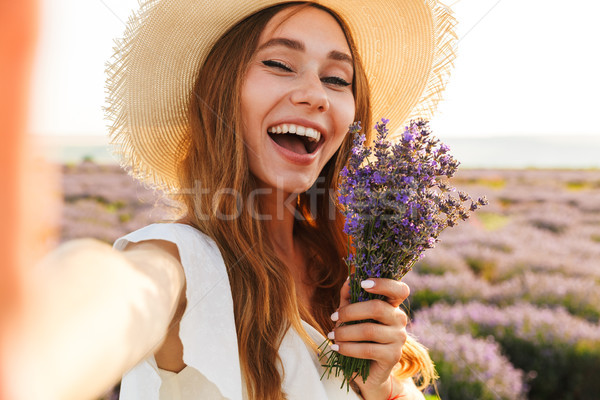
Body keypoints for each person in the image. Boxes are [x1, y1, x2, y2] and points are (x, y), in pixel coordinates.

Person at [3, 1, 457, 399]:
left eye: (337, 78)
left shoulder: (338, 269)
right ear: (219, 91)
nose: (316, 95)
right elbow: (123, 296)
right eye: (280, 64)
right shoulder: (180, 260)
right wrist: (29, 350)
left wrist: (378, 389)